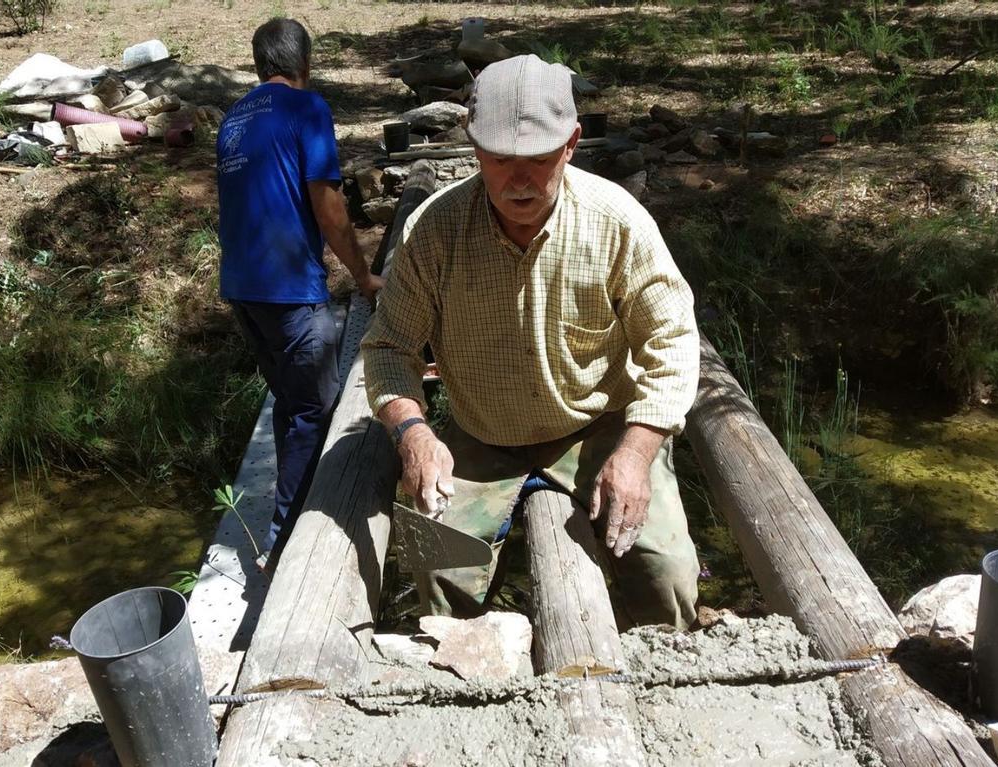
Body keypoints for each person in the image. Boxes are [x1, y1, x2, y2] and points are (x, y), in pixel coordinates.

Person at [361, 54, 701, 628]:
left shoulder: (616, 221)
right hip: (481, 435)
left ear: (571, 144)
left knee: (666, 570)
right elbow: (389, 348)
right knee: (437, 572)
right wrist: (414, 435)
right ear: (474, 149)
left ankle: (665, 674)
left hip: (598, 428)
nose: (519, 181)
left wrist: (637, 451)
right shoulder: (434, 231)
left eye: (539, 161)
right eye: (499, 161)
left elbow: (671, 341)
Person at [217, 18, 383, 570]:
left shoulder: (234, 119)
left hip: (244, 290)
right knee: (316, 407)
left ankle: (286, 523)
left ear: (260, 63)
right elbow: (329, 206)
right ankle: (289, 543)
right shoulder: (307, 109)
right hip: (289, 292)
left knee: (291, 402)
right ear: (302, 64)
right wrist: (362, 277)